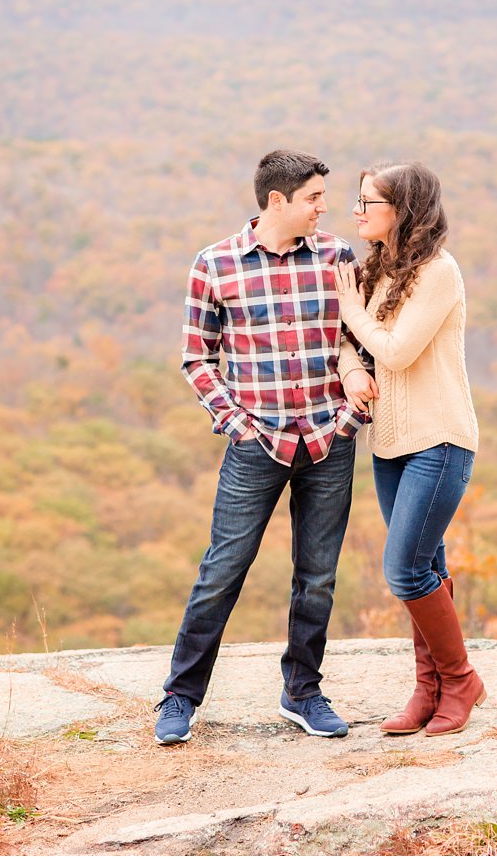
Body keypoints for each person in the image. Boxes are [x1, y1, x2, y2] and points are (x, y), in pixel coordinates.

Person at [153, 149, 377, 746]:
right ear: (277, 201)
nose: (324, 210)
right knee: (223, 569)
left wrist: (352, 409)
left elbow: (361, 338)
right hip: (257, 444)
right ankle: (180, 697)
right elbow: (197, 357)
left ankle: (303, 691)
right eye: (313, 199)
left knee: (319, 575)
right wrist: (237, 423)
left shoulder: (337, 257)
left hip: (331, 439)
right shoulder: (215, 264)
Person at [333, 162, 483, 737]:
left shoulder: (438, 273)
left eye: (367, 203)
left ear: (402, 211)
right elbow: (350, 348)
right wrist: (349, 373)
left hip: (439, 440)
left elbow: (393, 352)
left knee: (404, 569)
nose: (356, 212)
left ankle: (461, 679)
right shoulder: (374, 272)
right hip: (390, 443)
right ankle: (430, 689)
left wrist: (351, 314)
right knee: (428, 563)